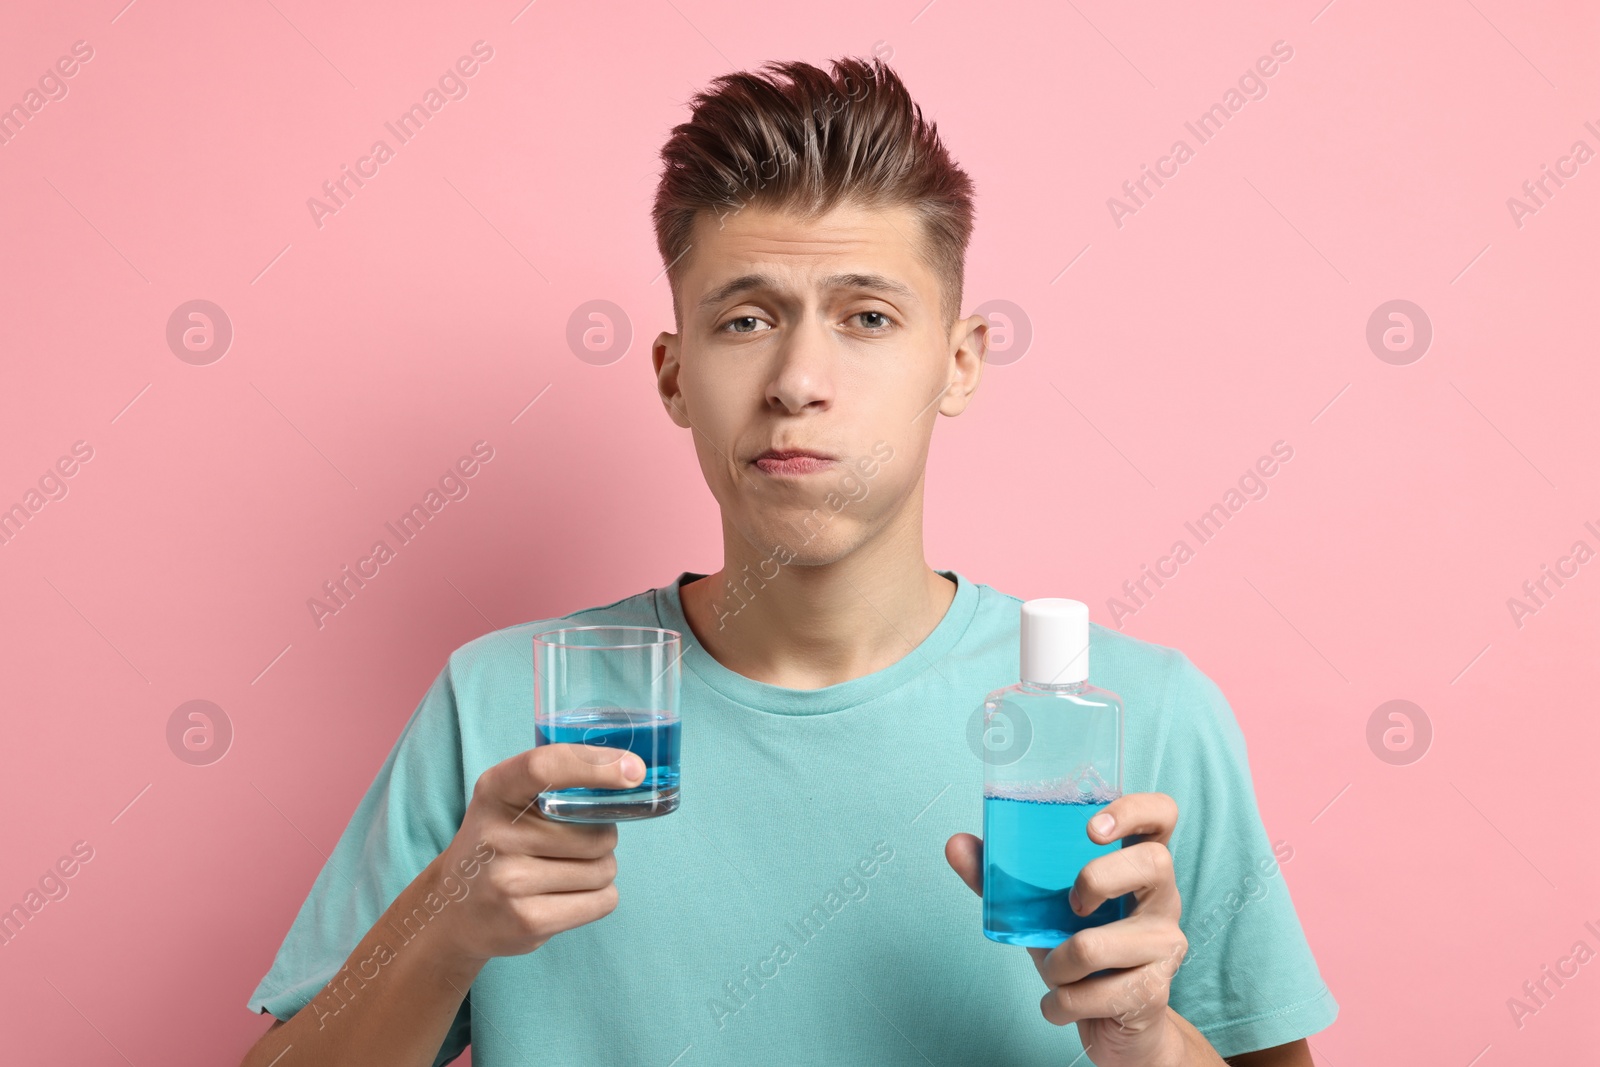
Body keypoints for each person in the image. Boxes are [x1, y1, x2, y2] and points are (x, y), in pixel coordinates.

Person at [241, 56, 1337, 1067]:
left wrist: (1149, 1036)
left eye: (866, 315)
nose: (797, 378)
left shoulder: (1139, 715)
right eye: (745, 319)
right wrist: (437, 931)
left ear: (957, 362)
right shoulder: (498, 708)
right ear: (673, 375)